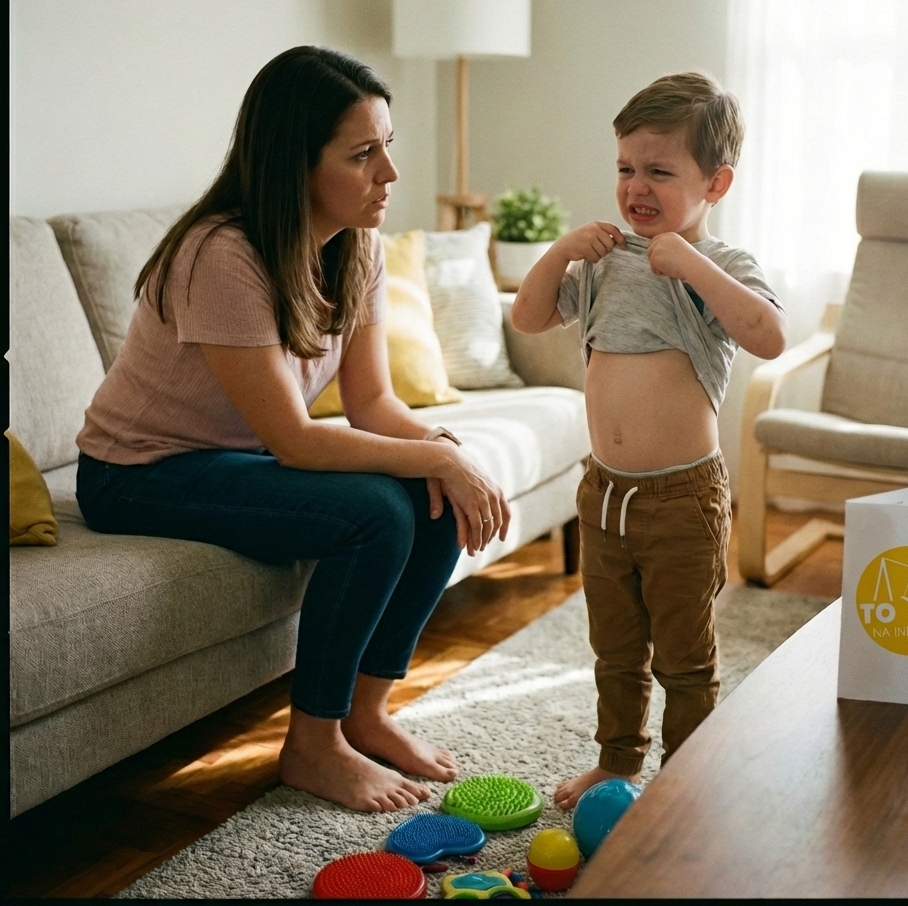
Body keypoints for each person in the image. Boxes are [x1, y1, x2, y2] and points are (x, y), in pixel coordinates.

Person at [75, 46, 511, 813]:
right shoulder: (222, 254)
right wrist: (436, 462)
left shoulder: (358, 247)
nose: (389, 174)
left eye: (388, 147)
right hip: (137, 472)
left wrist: (450, 455)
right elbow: (297, 442)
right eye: (362, 153)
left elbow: (372, 402)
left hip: (232, 461)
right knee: (378, 512)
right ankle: (312, 746)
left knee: (433, 488)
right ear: (295, 165)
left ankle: (368, 714)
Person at [510, 71, 786, 808]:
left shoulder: (720, 267)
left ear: (715, 183)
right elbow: (528, 319)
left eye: (660, 171)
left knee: (685, 657)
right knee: (615, 647)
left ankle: (686, 782)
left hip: (681, 500)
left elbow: (771, 335)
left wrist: (689, 262)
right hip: (604, 494)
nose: (637, 186)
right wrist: (561, 250)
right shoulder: (602, 261)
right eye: (626, 168)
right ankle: (616, 762)